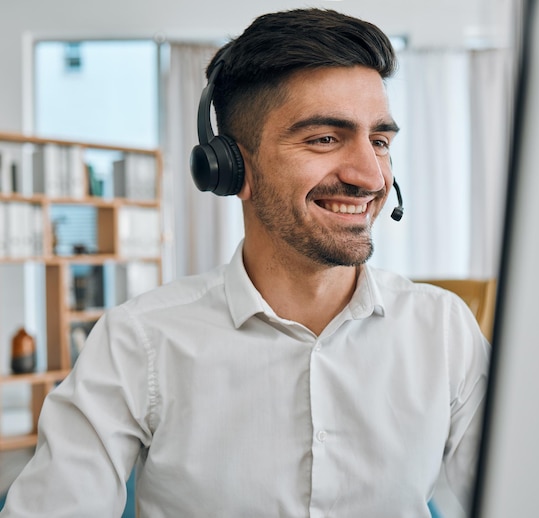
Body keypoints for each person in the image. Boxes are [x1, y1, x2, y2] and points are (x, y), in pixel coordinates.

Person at [1, 8, 489, 518]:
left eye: (380, 141)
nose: (370, 175)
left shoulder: (444, 331)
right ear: (232, 169)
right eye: (324, 138)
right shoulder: (139, 344)